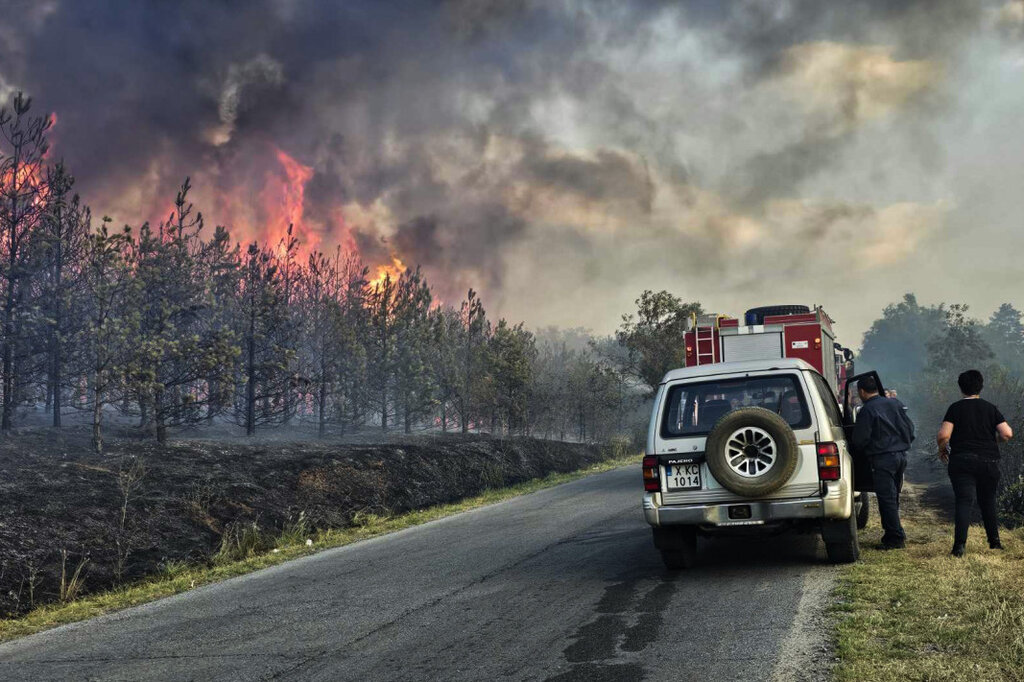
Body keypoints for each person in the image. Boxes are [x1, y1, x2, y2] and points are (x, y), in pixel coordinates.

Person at [936, 370, 1014, 557]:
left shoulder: (955, 408)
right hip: (988, 461)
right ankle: (994, 543)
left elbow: (944, 435)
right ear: (981, 386)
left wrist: (942, 449)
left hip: (962, 460)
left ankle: (959, 547)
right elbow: (1007, 434)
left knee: (964, 501)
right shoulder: (990, 408)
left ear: (961, 387)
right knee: (988, 501)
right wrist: (991, 442)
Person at [850, 375, 916, 549]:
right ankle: (896, 533)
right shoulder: (895, 403)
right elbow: (910, 429)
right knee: (893, 497)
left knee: (886, 499)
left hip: (883, 459)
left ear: (862, 391)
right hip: (901, 456)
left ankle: (895, 539)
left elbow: (859, 440)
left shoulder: (867, 410)